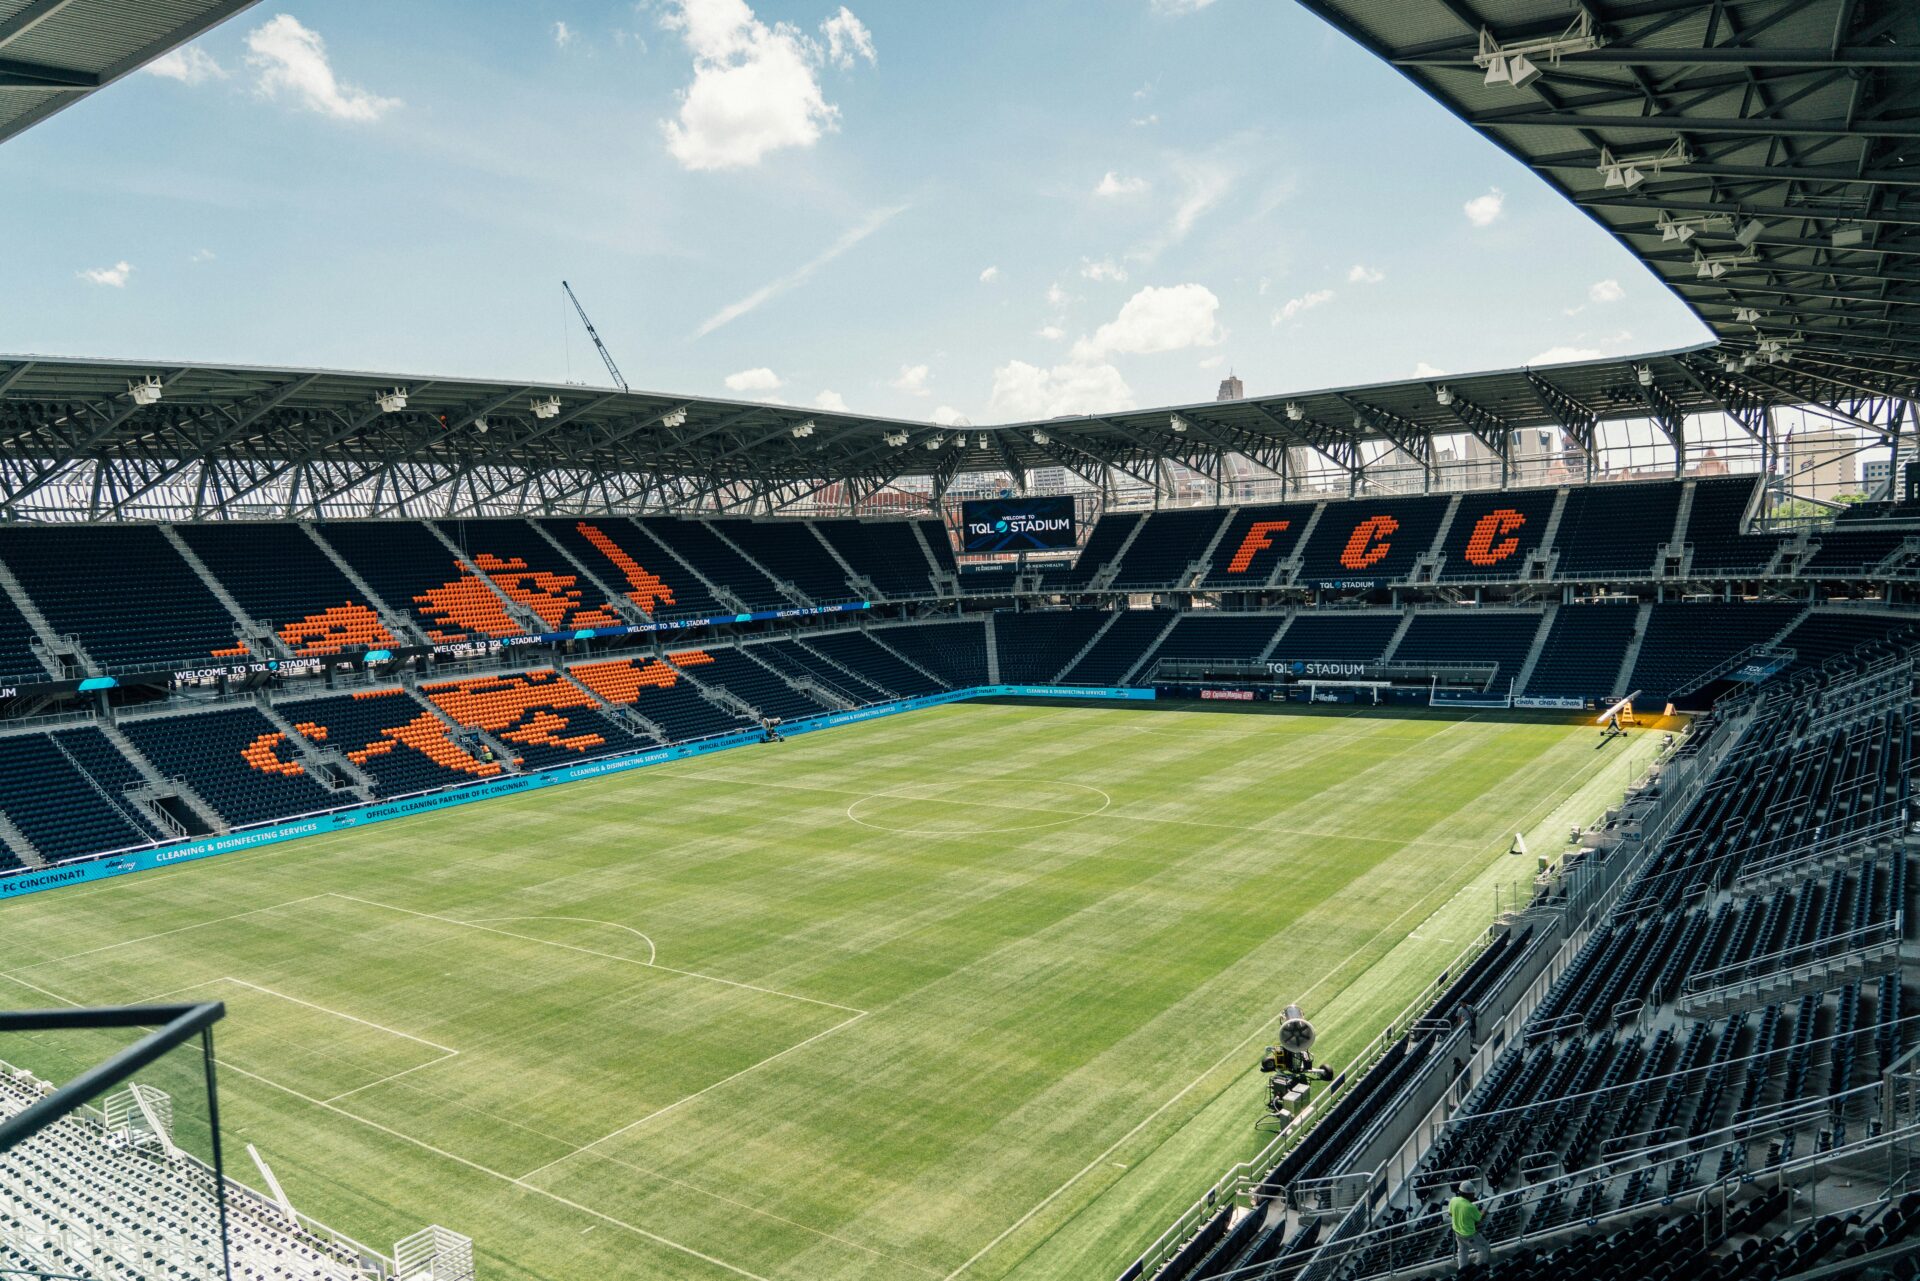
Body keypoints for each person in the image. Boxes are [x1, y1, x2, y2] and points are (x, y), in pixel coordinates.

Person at [1449, 1182, 1492, 1270]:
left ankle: (1462, 1270)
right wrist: (1483, 1211)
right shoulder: (1470, 1207)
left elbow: (1450, 1214)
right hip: (1469, 1234)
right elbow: (1479, 1218)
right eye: (1473, 1193)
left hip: (1457, 1232)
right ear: (1469, 1194)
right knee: (1484, 1248)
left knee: (1462, 1251)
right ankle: (1477, 1267)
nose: (1474, 1195)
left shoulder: (1453, 1200)